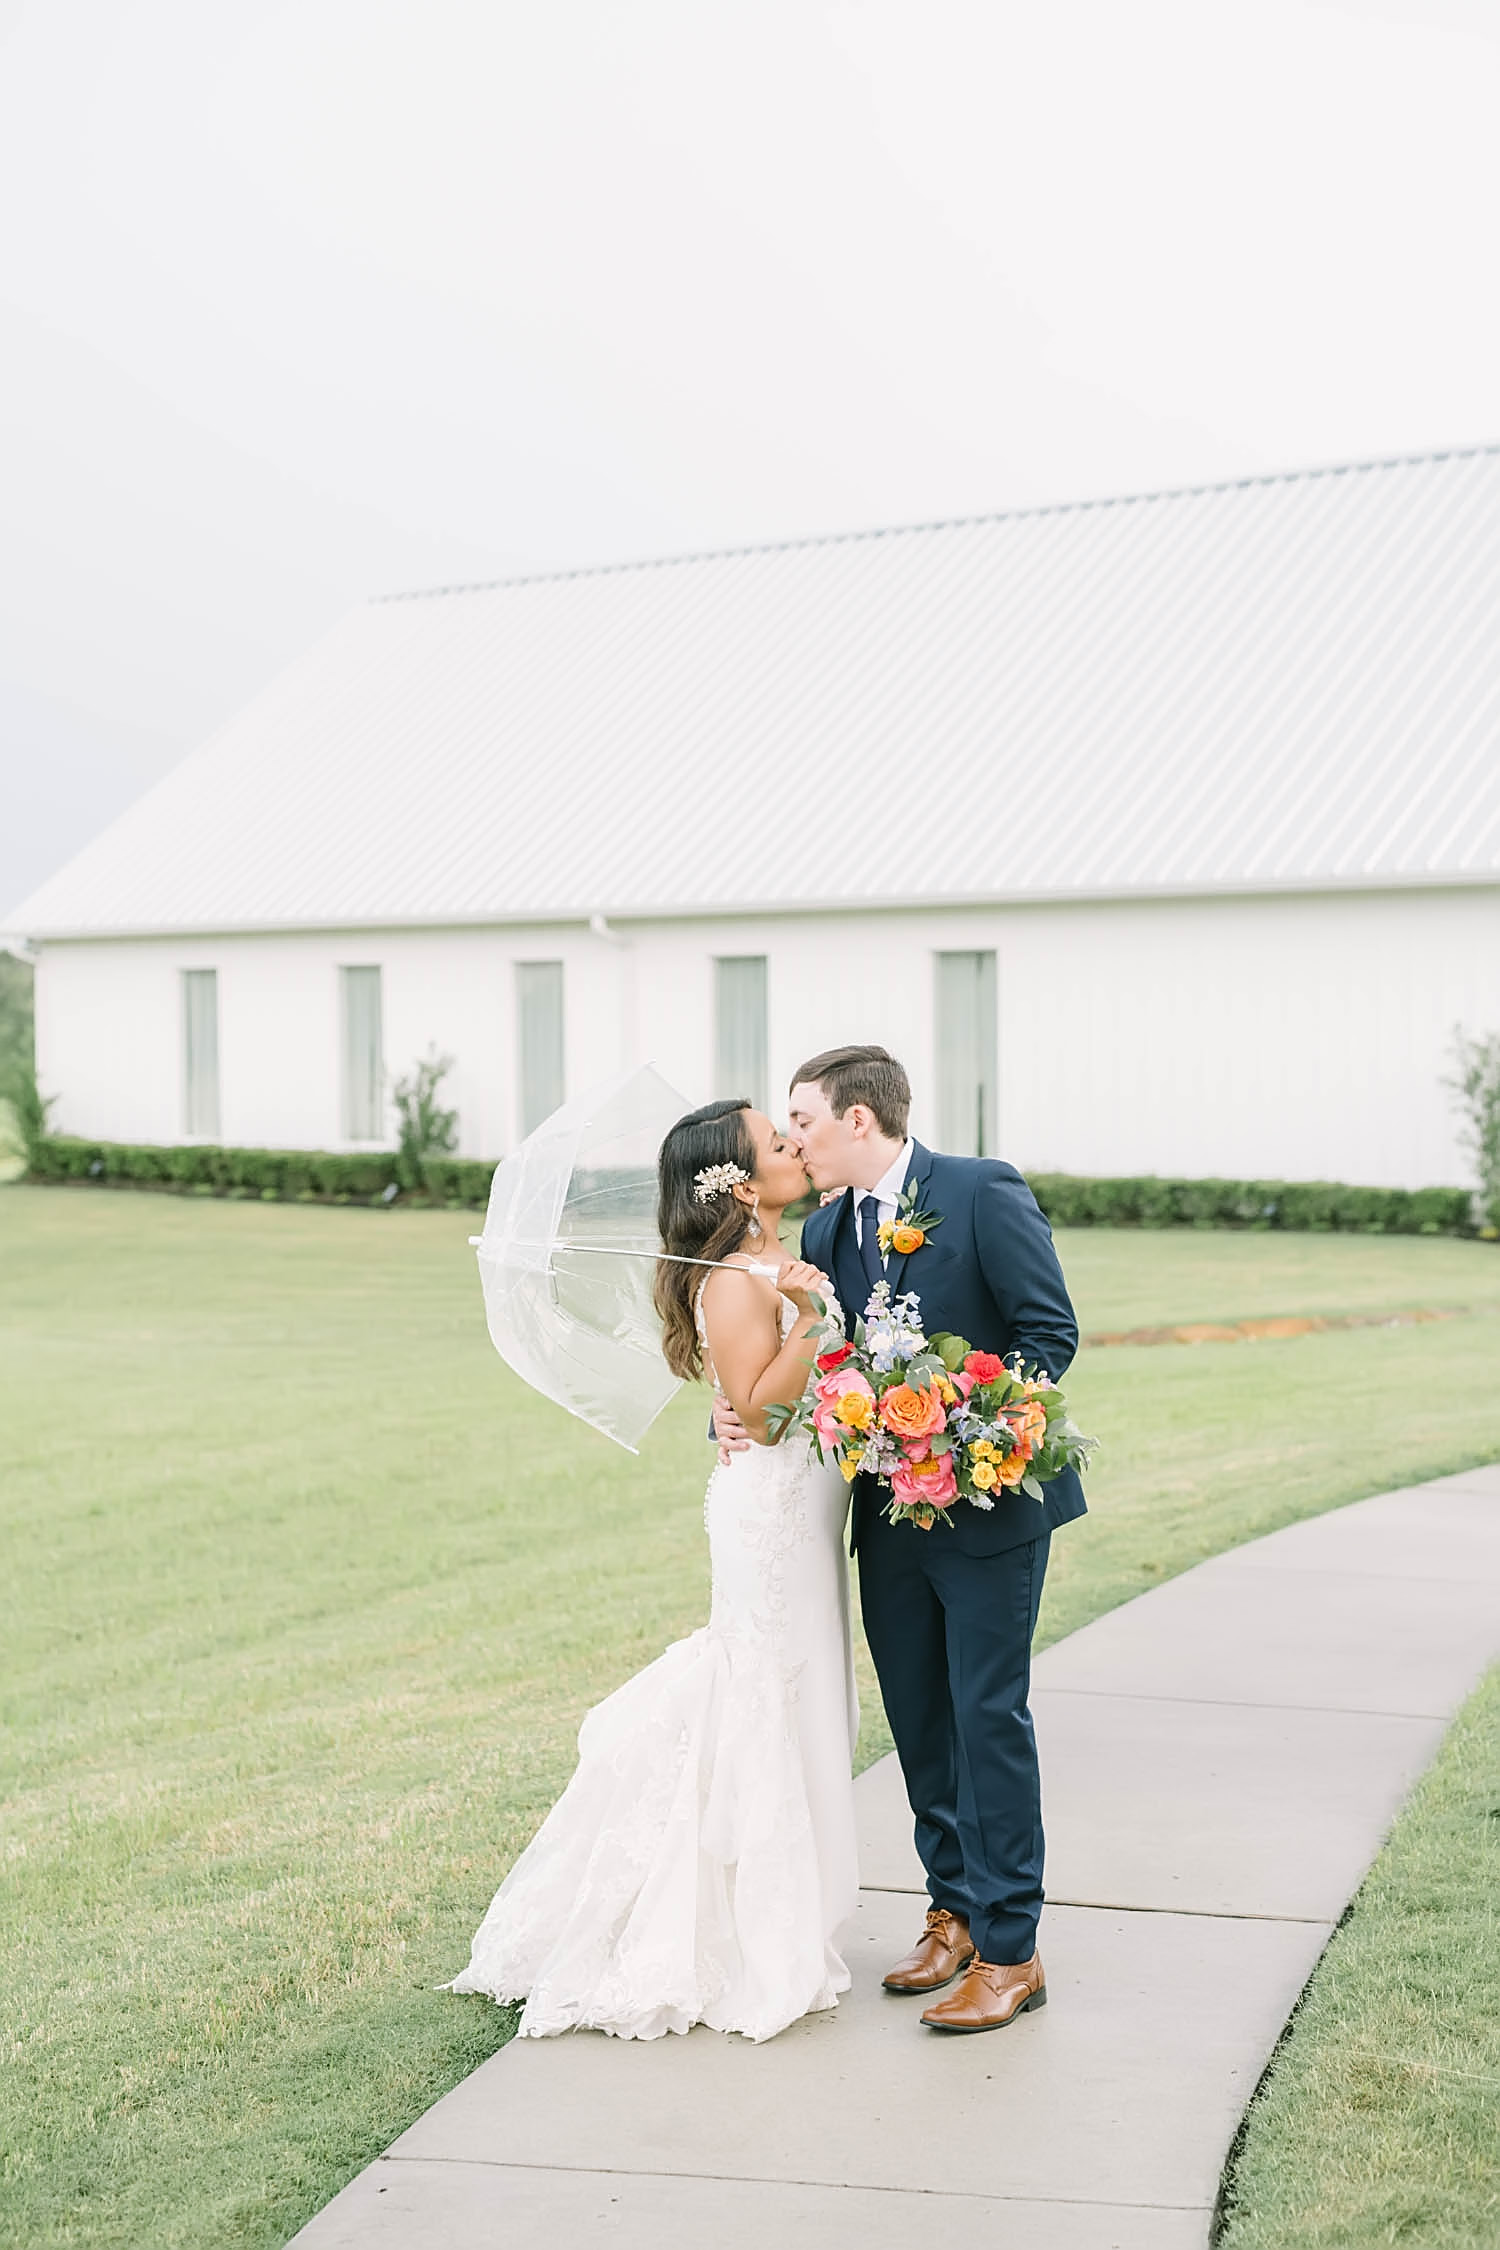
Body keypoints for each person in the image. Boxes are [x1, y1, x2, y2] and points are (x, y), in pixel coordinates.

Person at [446, 1099, 859, 2042]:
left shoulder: (771, 1261)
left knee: (799, 1693)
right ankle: (746, 1930)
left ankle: (786, 1908)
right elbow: (757, 1415)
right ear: (740, 1183)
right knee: (764, 1691)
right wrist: (817, 1316)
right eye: (778, 1142)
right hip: (772, 1518)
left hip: (798, 1509)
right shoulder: (733, 1279)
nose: (798, 1146)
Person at [716, 1045, 1085, 2033]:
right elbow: (825, 1359)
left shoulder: (978, 1193)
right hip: (883, 1517)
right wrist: (742, 1415)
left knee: (985, 1715)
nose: (793, 1138)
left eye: (804, 1120)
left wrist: (960, 1426)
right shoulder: (831, 1227)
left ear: (860, 1121)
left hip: (990, 1510)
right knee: (921, 1718)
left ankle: (1013, 1950)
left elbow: (1048, 1337)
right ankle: (953, 1910)